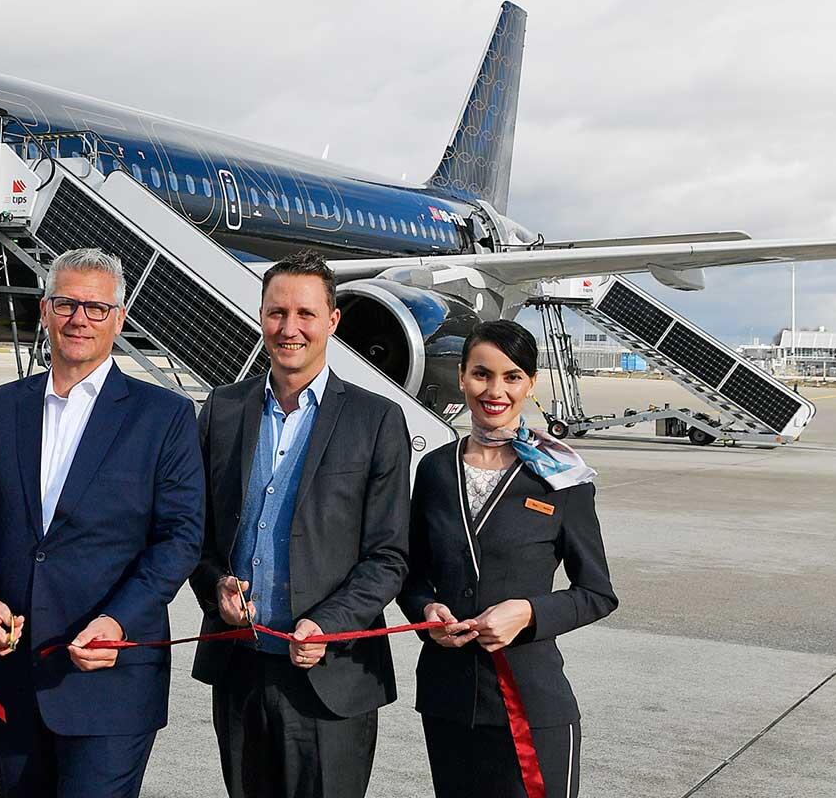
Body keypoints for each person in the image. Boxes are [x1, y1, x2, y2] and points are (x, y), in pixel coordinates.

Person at [0, 247, 204, 798]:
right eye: (66, 304)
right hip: (10, 671)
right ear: (44, 310)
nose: (79, 318)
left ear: (120, 317)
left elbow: (179, 538)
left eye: (96, 307)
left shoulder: (165, 415)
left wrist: (120, 620)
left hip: (109, 674)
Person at [189, 250, 412, 798]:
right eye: (276, 312)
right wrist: (215, 583)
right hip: (240, 670)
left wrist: (329, 623)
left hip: (330, 677)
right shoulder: (221, 409)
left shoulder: (377, 419)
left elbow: (389, 556)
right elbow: (193, 533)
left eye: (306, 314)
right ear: (260, 316)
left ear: (333, 321)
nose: (290, 328)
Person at [396, 319, 617, 798]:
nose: (495, 390)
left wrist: (530, 613)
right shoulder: (435, 469)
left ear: (530, 383)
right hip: (449, 701)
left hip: (532, 704)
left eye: (512, 376)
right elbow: (411, 575)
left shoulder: (561, 478)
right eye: (482, 374)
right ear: (461, 376)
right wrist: (425, 612)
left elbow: (597, 593)